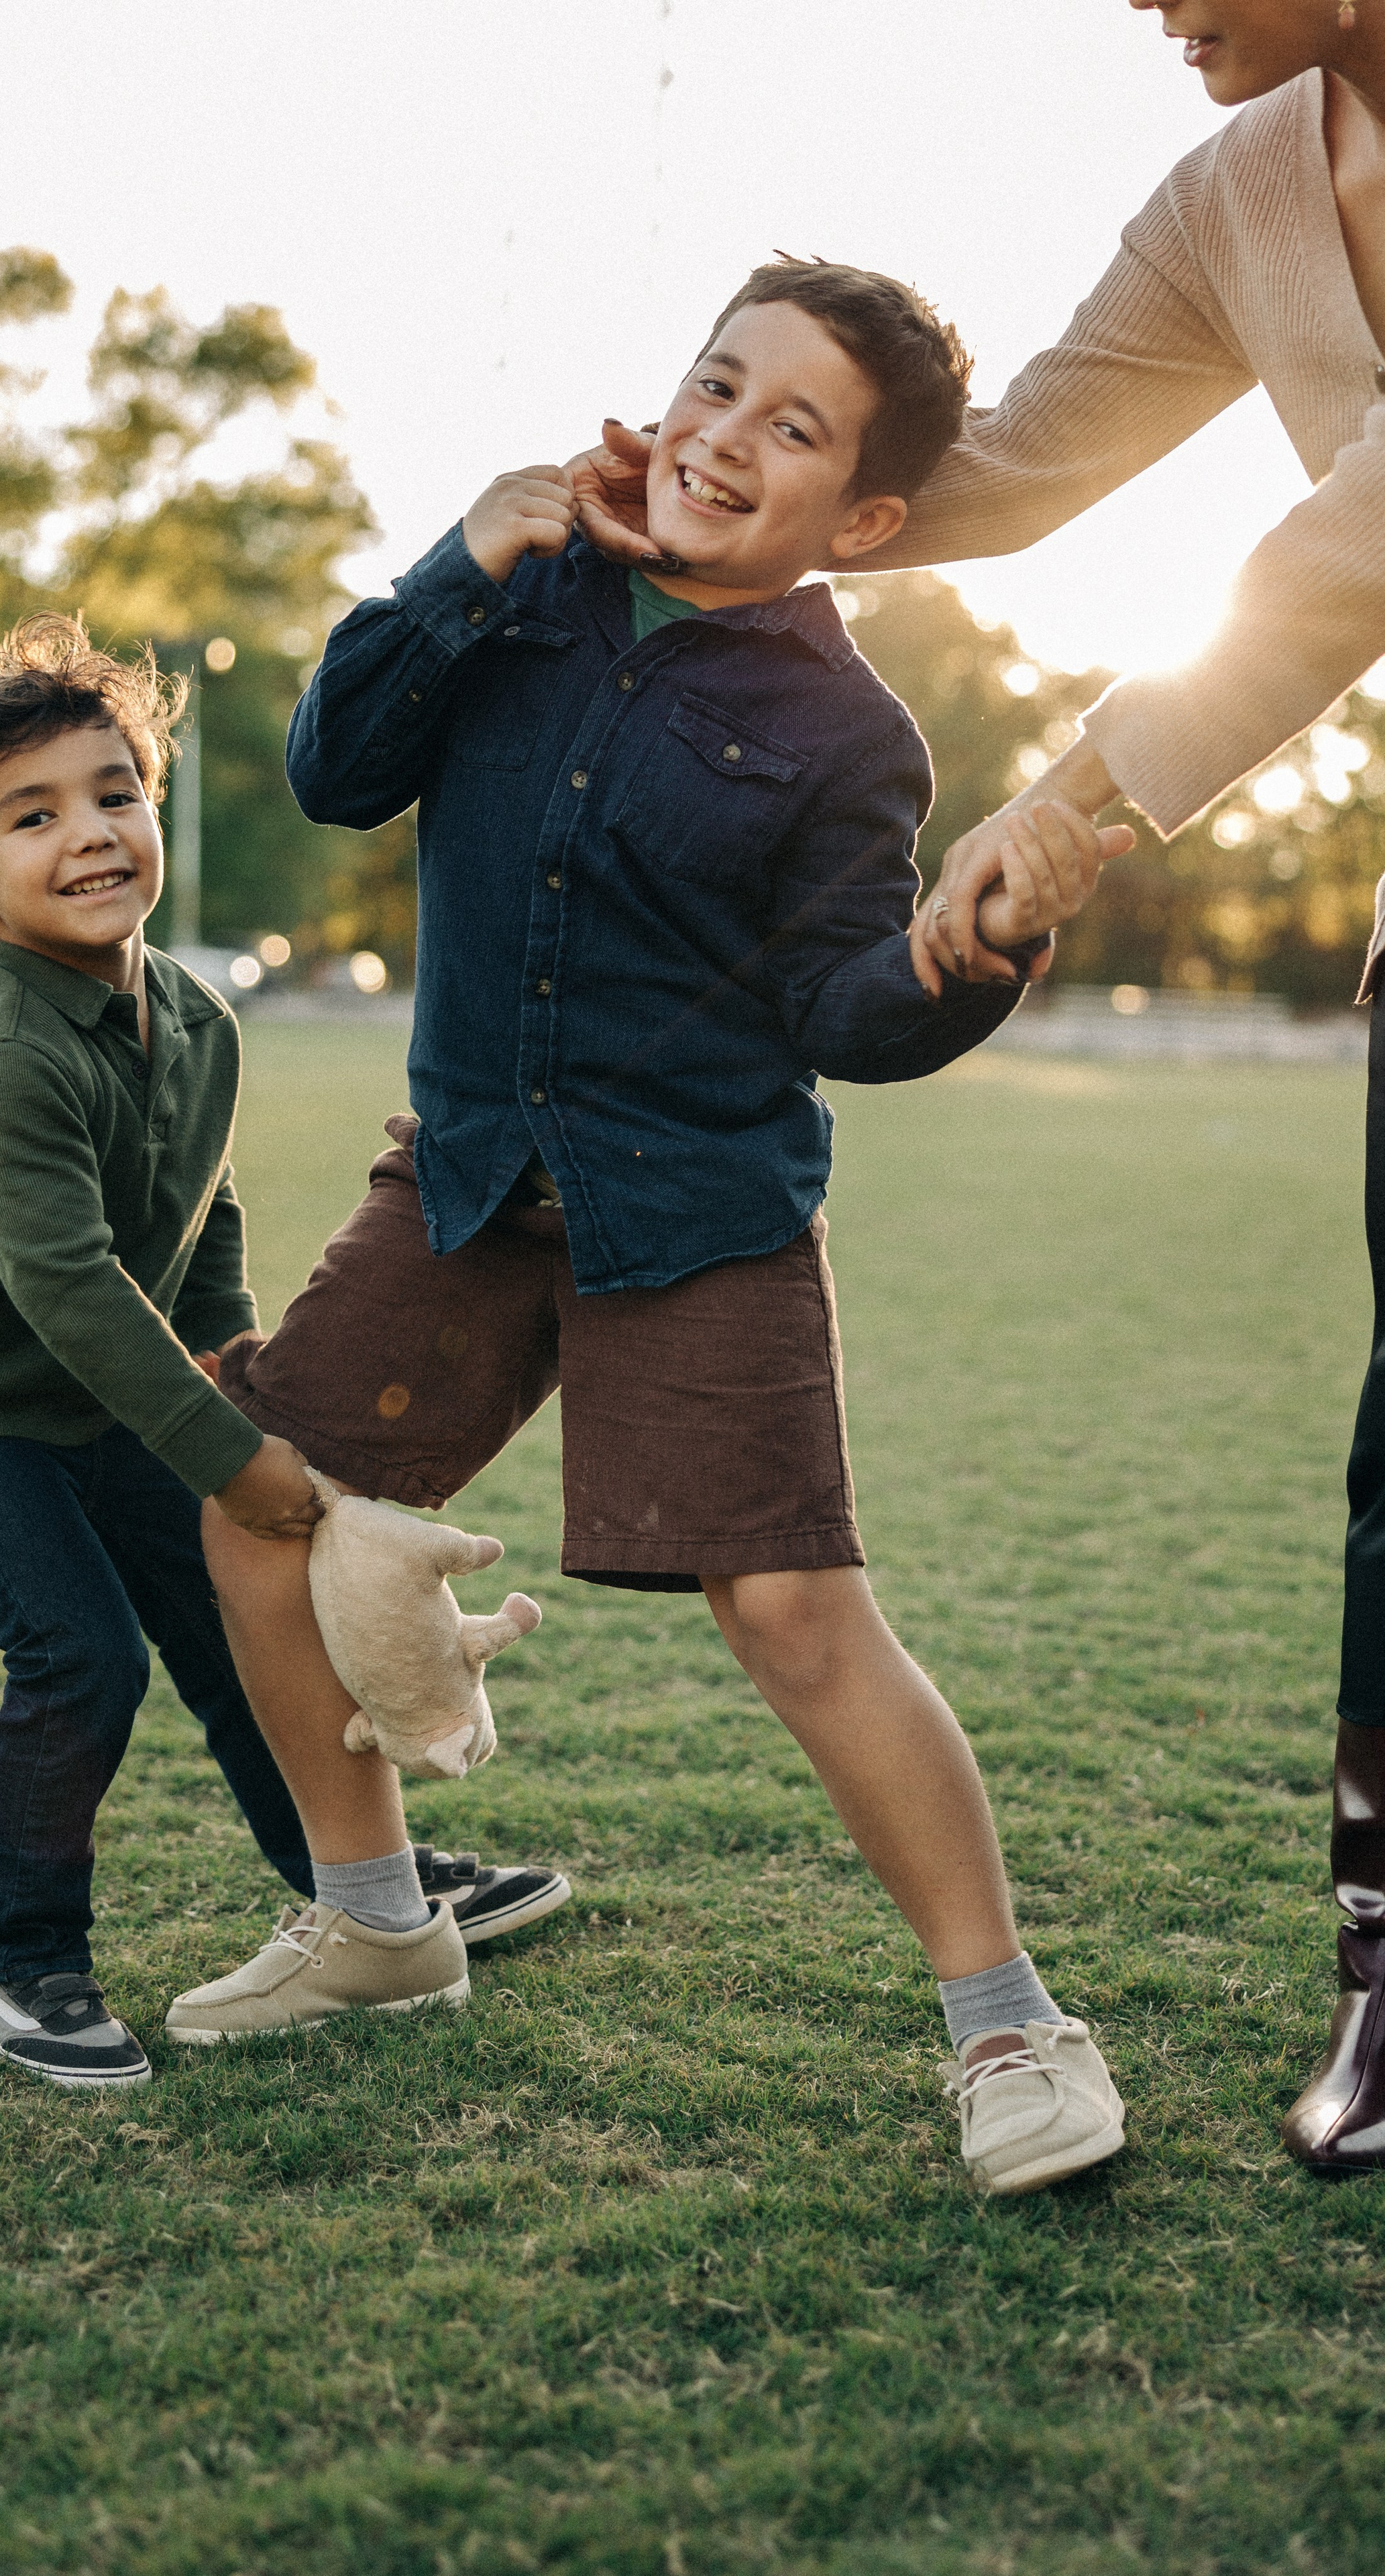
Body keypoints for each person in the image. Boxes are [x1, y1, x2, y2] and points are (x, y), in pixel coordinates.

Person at [167, 258, 1132, 2196]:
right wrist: (458, 558)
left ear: (862, 518)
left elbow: (844, 1014)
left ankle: (1009, 2021)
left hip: (696, 1211)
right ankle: (376, 1922)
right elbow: (334, 767)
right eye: (716, 385)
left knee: (790, 1610)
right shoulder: (512, 599)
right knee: (253, 1492)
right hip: (463, 1186)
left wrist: (977, 950)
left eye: (794, 429)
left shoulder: (854, 735)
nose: (724, 438)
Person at [572, 1, 1385, 2175]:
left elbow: (1358, 534)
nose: (1150, 4)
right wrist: (709, 498)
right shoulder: (1238, 190)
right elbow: (1000, 472)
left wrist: (1094, 783)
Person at [0, 616, 567, 2092]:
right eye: (33, 816)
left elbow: (201, 1209)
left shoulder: (192, 1013)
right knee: (79, 1662)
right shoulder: (10, 1057)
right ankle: (12, 1960)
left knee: (245, 1632)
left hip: (113, 1401)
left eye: (114, 792)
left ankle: (361, 1888)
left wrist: (239, 1361)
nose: (92, 833)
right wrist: (232, 1454)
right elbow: (68, 1284)